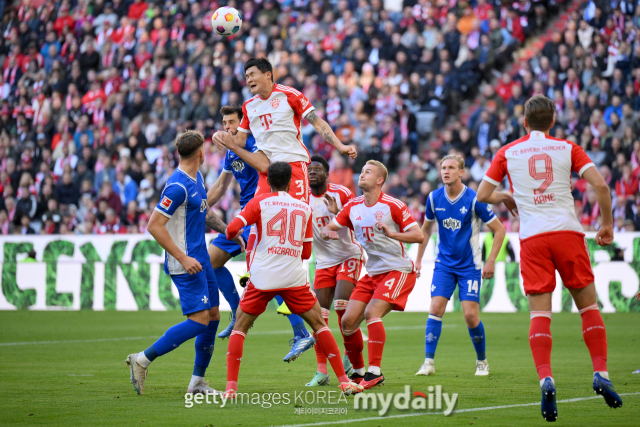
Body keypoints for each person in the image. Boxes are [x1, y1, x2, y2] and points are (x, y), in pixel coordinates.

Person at [477, 95, 623, 421]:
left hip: (533, 239)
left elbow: (482, 195)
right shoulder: (567, 148)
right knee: (589, 308)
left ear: (524, 123)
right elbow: (601, 185)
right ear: (553, 121)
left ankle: (546, 378)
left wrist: (504, 195)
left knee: (539, 316)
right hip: (567, 233)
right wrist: (607, 225)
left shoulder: (508, 152)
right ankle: (601, 373)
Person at [223, 161, 363, 397]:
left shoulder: (259, 202)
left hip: (263, 277)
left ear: (268, 181)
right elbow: (306, 254)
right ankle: (343, 381)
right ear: (291, 182)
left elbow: (231, 230)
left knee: (239, 329)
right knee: (319, 325)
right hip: (293, 279)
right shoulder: (304, 207)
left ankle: (230, 389)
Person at [125, 130, 245, 396]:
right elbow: (154, 226)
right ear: (200, 153)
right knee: (200, 320)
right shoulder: (177, 187)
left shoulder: (197, 178)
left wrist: (228, 231)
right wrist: (183, 257)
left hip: (201, 259)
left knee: (213, 317)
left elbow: (203, 211)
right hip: (185, 263)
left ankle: (197, 382)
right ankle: (142, 359)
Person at [207, 105, 312, 360]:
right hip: (245, 216)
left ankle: (301, 333)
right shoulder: (232, 153)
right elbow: (221, 185)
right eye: (225, 123)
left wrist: (233, 144)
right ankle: (236, 311)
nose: (228, 127)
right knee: (212, 260)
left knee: (267, 274)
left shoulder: (257, 144)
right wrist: (200, 205)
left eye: (232, 122)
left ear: (244, 124)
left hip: (265, 213)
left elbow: (265, 167)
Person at [321, 160, 424, 389]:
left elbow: (418, 236)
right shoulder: (352, 206)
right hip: (373, 273)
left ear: (380, 180)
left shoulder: (392, 205)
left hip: (398, 270)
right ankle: (357, 373)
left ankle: (374, 372)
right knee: (347, 321)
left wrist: (392, 234)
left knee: (371, 312)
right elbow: (330, 227)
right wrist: (329, 232)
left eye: (368, 172)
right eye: (362, 171)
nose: (362, 174)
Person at [413, 154, 506, 377]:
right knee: (435, 308)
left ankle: (482, 361)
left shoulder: (474, 199)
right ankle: (428, 362)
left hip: (469, 266)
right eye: (443, 167)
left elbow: (500, 230)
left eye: (451, 168)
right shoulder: (434, 198)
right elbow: (425, 230)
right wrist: (418, 259)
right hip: (444, 264)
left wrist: (490, 260)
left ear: (461, 172)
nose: (446, 171)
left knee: (470, 316)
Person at [305, 154, 364, 387]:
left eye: (317, 169)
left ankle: (352, 359)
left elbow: (358, 220)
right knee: (319, 318)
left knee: (342, 309)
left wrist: (338, 212)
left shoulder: (342, 193)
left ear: (327, 174)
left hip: (348, 254)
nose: (312, 172)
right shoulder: (301, 198)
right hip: (323, 261)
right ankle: (322, 371)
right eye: (310, 169)